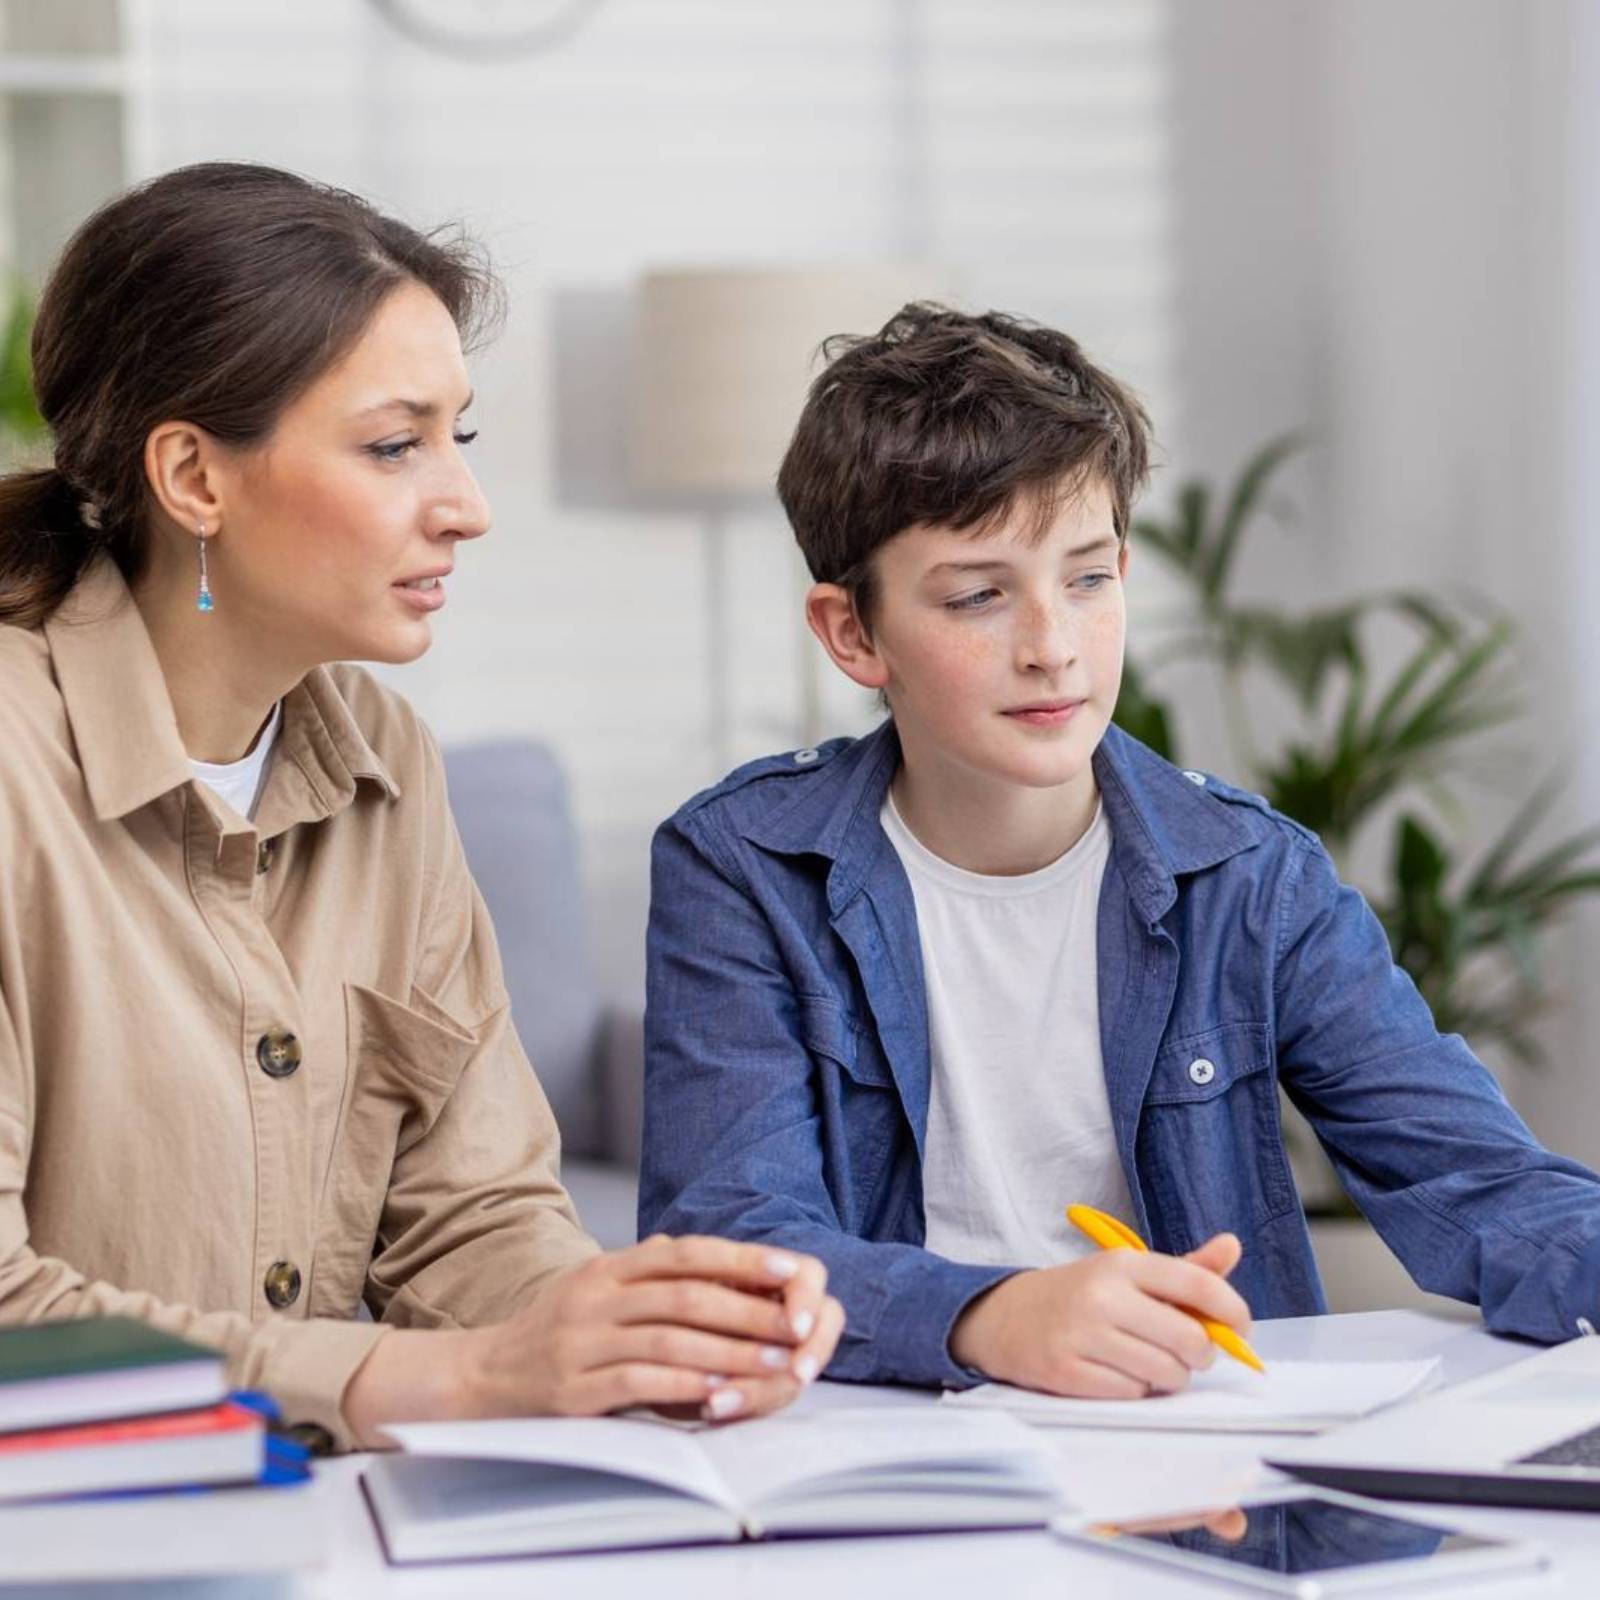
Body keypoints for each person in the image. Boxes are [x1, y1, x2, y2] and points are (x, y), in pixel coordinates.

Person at [0, 162, 841, 1453]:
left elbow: (474, 1211)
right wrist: (445, 1381)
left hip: (331, 1515)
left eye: (461, 439)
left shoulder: (386, 762)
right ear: (194, 477)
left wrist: (633, 1338)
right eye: (396, 445)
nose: (468, 508)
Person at [639, 303, 1600, 1400]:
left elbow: (1488, 1188)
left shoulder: (1252, 876)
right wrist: (989, 1315)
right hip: (890, 1440)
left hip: (1205, 1445)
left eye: (1088, 579)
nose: (1053, 648)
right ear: (853, 632)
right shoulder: (743, 866)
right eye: (978, 595)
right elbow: (733, 1242)